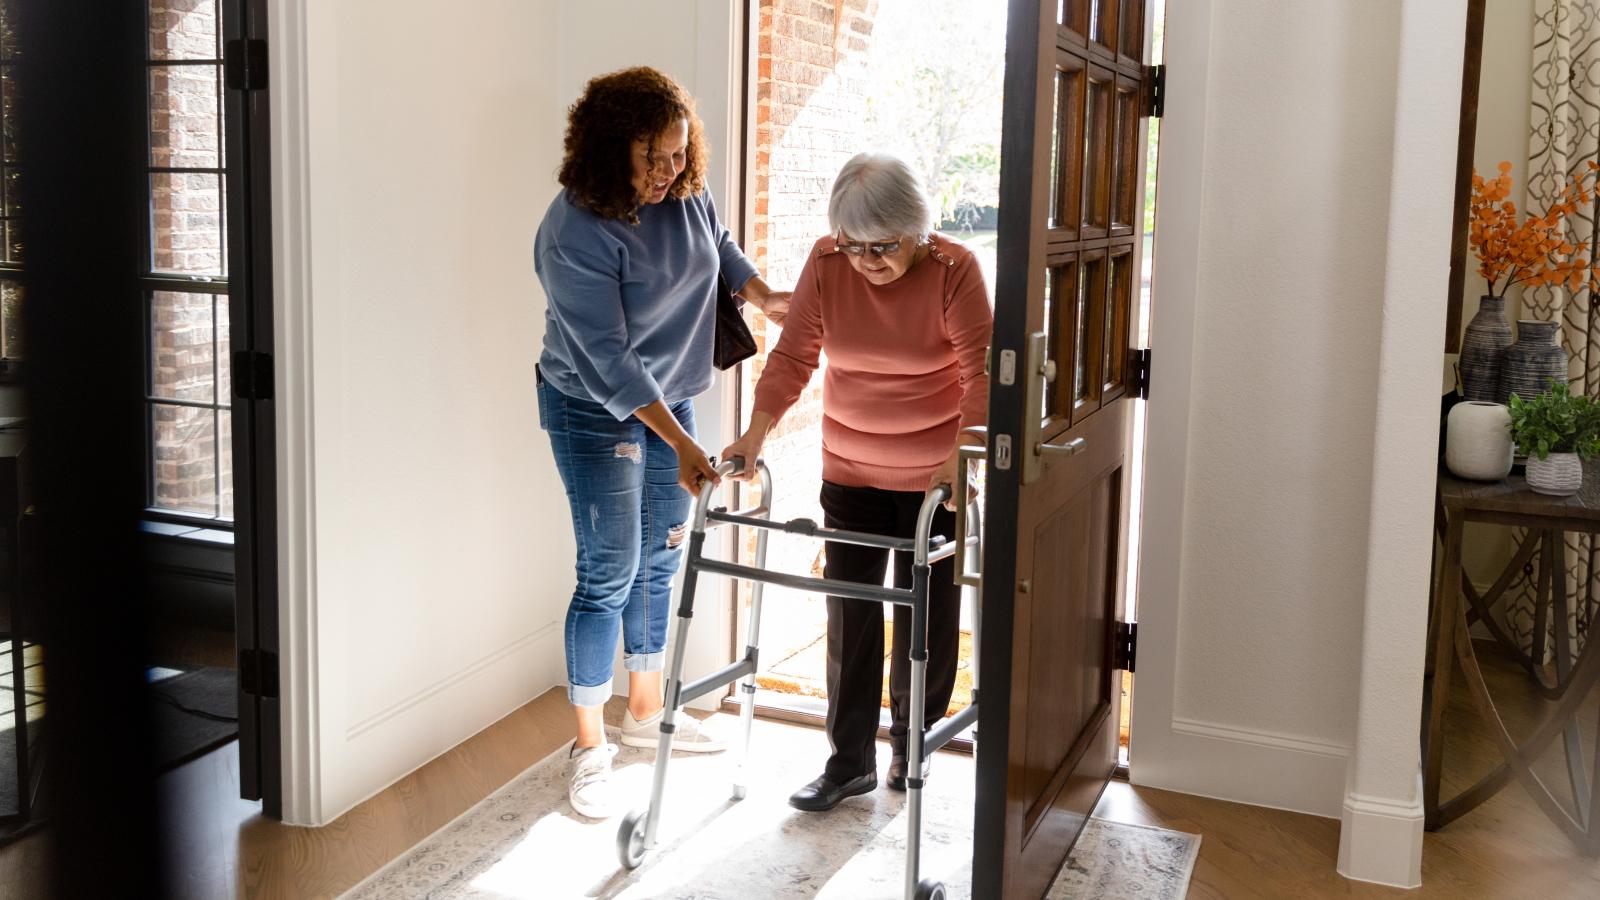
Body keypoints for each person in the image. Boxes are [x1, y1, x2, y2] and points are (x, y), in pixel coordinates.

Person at [535, 66, 789, 819]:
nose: (669, 171)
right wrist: (681, 443)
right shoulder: (574, 229)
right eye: (653, 157)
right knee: (608, 568)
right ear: (611, 150)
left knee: (663, 552)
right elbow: (608, 359)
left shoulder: (685, 192)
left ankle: (643, 713)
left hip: (669, 398)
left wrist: (762, 293)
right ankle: (588, 748)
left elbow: (720, 244)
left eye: (679, 154)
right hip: (592, 405)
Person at [721, 152, 991, 811]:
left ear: (919, 230)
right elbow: (794, 356)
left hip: (935, 484)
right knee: (850, 613)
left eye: (882, 246)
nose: (867, 261)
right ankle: (848, 762)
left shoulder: (955, 272)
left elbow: (982, 370)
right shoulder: (827, 262)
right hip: (850, 471)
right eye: (854, 244)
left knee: (925, 616)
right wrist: (755, 433)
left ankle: (912, 748)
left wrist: (965, 456)